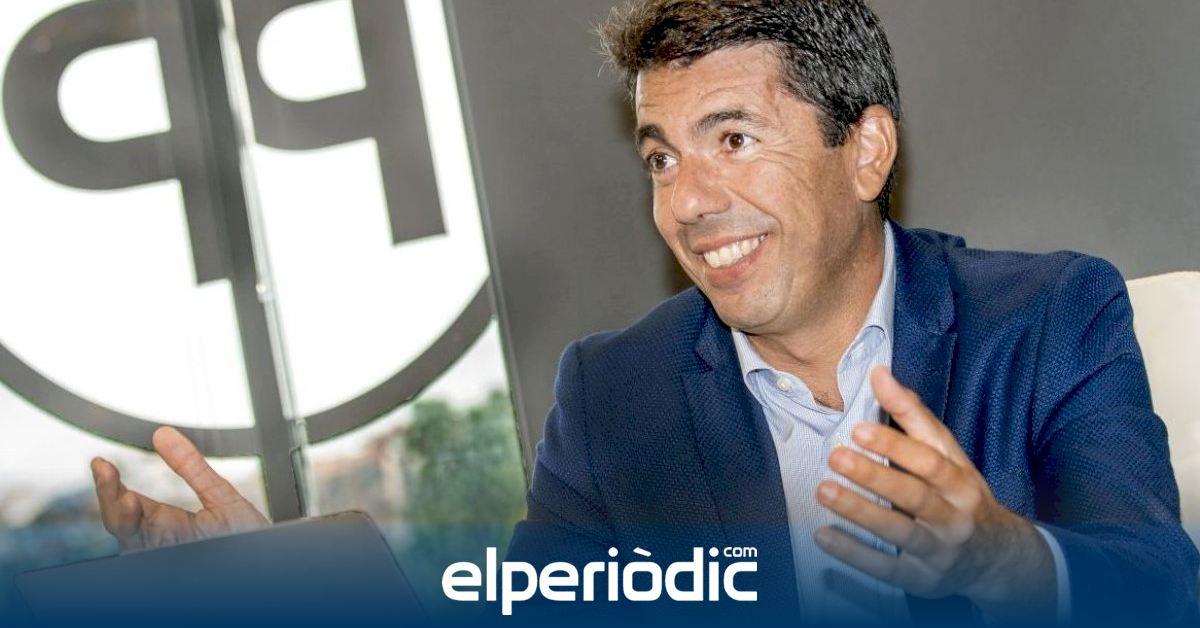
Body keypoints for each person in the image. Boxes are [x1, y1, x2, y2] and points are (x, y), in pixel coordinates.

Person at [91, 1, 1197, 626]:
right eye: (662, 157)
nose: (689, 201)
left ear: (865, 151)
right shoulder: (617, 392)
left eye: (733, 139)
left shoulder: (1047, 315)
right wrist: (286, 594)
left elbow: (1158, 587)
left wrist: (1009, 563)